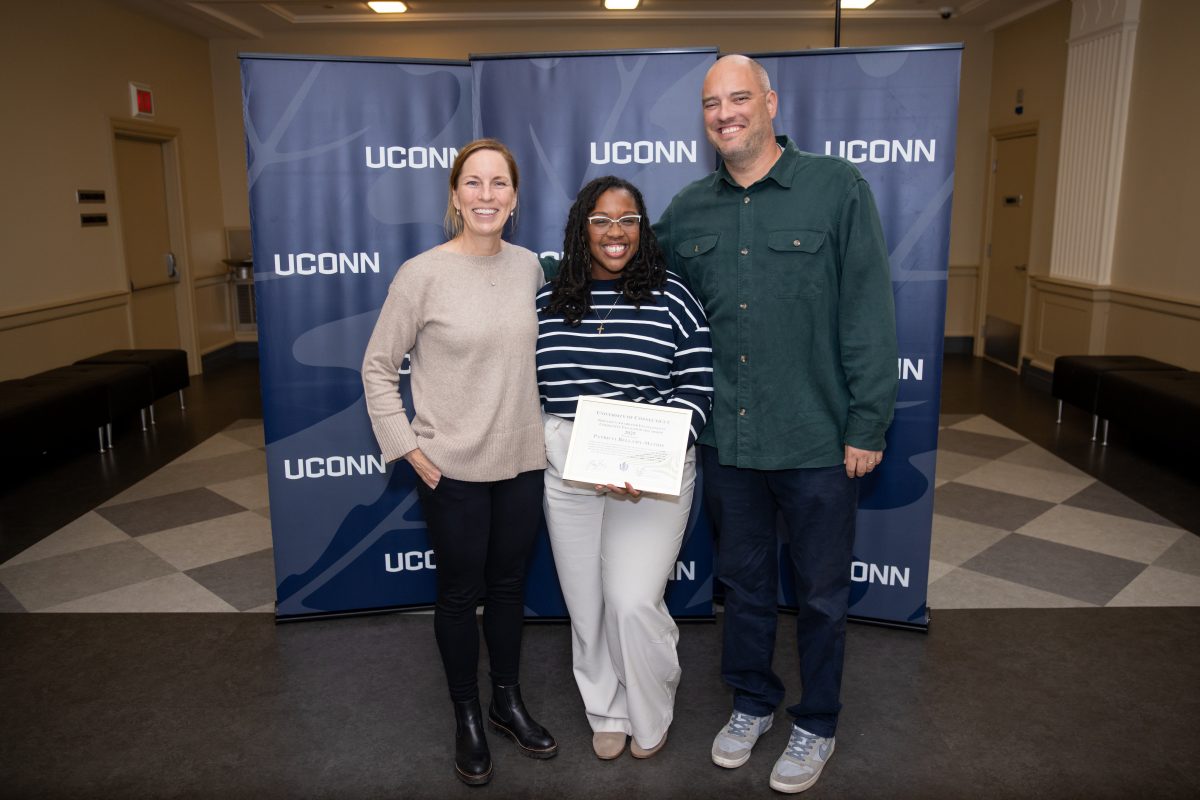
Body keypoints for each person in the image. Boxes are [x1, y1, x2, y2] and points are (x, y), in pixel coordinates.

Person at [654, 55, 898, 794]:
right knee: (744, 586)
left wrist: (868, 423)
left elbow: (867, 311)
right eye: (710, 104)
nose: (724, 113)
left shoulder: (837, 187)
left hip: (821, 439)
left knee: (821, 595)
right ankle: (752, 702)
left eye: (738, 99)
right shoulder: (689, 209)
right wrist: (545, 269)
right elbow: (632, 277)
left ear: (769, 102)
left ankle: (816, 721)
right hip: (730, 439)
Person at [361, 138, 557, 786]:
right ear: (454, 195)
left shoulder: (531, 266)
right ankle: (467, 715)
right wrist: (410, 448)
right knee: (459, 594)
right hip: (453, 471)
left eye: (498, 183)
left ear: (515, 197)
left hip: (523, 459)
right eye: (473, 183)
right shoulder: (421, 275)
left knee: (507, 590)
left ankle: (505, 700)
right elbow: (378, 368)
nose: (486, 195)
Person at [537, 176, 713, 760]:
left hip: (653, 471)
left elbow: (697, 388)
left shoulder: (674, 297)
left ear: (643, 227)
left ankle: (649, 707)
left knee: (634, 600)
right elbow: (529, 391)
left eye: (629, 219)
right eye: (602, 220)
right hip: (569, 467)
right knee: (586, 605)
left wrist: (643, 456)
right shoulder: (546, 302)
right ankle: (605, 709)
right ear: (580, 228)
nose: (616, 232)